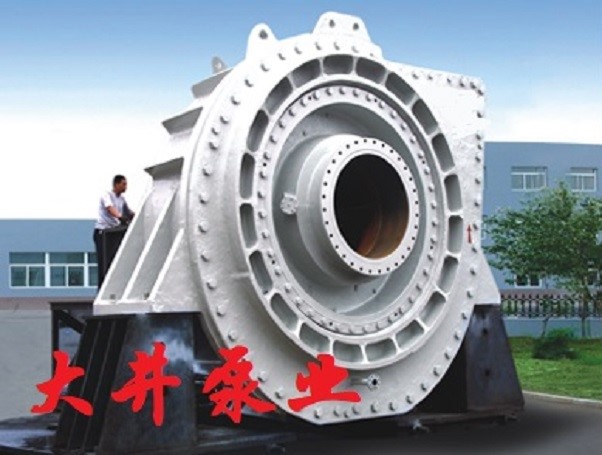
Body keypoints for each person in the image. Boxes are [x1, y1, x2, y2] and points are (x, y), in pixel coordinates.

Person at [93, 175, 135, 289]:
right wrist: (120, 217)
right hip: (102, 232)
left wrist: (137, 216)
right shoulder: (107, 195)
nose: (126, 187)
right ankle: (102, 289)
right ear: (116, 184)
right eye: (123, 184)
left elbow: (129, 212)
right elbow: (110, 209)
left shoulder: (122, 199)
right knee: (104, 262)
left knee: (114, 261)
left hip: (113, 233)